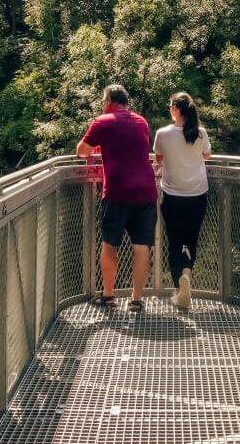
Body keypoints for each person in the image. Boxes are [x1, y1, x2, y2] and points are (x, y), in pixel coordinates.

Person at [76, 84, 157, 313]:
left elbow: (82, 151)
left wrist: (100, 146)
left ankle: (109, 296)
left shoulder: (103, 121)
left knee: (110, 245)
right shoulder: (141, 121)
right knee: (142, 248)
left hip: (117, 193)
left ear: (109, 100)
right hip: (146, 192)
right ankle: (136, 300)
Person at [153, 92, 211, 310]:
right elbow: (206, 155)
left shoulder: (163, 134)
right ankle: (186, 273)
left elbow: (158, 159)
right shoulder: (200, 133)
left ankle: (179, 289)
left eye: (171, 106)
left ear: (176, 110)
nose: (169, 109)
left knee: (175, 241)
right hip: (197, 195)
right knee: (191, 239)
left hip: (173, 196)